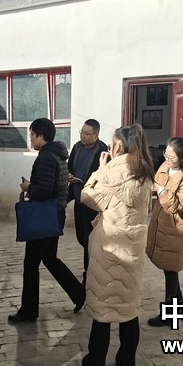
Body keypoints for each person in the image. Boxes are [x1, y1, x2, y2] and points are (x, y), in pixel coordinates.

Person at [72, 124, 154, 366]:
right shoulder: (145, 173)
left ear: (117, 146)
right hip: (132, 251)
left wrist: (100, 168)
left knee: (103, 314)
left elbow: (86, 196)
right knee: (129, 311)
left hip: (109, 251)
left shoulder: (112, 172)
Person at [8, 118, 85, 323]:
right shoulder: (58, 155)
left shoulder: (46, 157)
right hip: (55, 214)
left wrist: (29, 187)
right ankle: (78, 293)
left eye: (32, 135)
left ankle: (28, 311)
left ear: (41, 136)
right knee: (50, 258)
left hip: (44, 216)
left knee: (31, 264)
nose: (31, 139)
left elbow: (44, 190)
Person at [145, 137, 183, 327]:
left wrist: (161, 190)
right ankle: (179, 307)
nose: (167, 158)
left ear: (182, 158)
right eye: (166, 153)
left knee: (171, 271)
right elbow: (153, 184)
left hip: (174, 229)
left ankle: (169, 315)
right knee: (170, 270)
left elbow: (177, 206)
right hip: (160, 225)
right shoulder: (164, 167)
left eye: (171, 156)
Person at [67, 119, 108, 284]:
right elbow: (69, 166)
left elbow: (103, 176)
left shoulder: (102, 151)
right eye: (82, 133)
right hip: (79, 198)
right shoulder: (77, 147)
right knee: (81, 237)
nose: (83, 136)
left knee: (89, 238)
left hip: (92, 202)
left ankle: (89, 274)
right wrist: (70, 176)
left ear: (96, 135)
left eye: (87, 134)